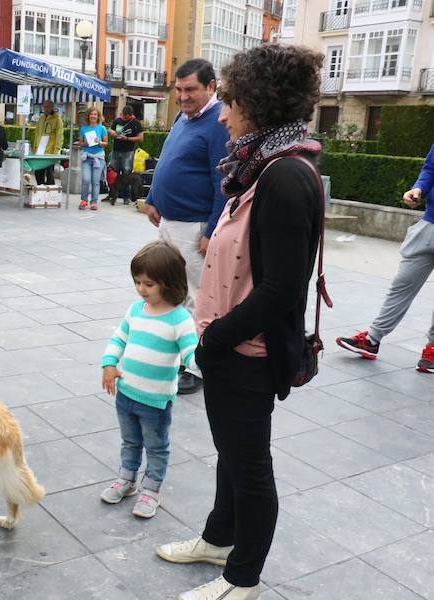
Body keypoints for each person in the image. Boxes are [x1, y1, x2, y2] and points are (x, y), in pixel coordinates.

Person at [155, 45, 325, 600]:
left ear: (258, 102)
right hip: (230, 346)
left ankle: (241, 578)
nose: (223, 114)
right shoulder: (260, 166)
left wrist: (216, 341)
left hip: (246, 352)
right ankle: (218, 537)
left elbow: (281, 288)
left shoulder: (285, 177)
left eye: (230, 101)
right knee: (232, 453)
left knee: (250, 467)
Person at [142, 58, 230, 395]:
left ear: (211, 87)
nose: (182, 96)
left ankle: (195, 367)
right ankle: (176, 355)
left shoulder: (217, 123)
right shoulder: (185, 117)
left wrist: (212, 230)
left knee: (195, 297)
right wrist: (153, 196)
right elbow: (167, 156)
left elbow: (222, 181)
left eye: (190, 89)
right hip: (169, 220)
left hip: (194, 226)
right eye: (178, 89)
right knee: (171, 292)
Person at [100, 241, 198, 519]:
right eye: (138, 282)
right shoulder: (136, 310)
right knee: (129, 442)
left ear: (169, 283)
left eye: (149, 284)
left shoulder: (180, 319)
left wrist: (204, 360)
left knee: (156, 446)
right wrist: (109, 364)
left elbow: (191, 354)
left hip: (156, 401)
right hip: (126, 394)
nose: (142, 289)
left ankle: (151, 489)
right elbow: (119, 338)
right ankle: (127, 480)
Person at [336, 141, 434, 373]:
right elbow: (430, 169)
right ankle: (372, 340)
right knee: (401, 285)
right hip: (428, 224)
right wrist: (419, 189)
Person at [107, 105, 144, 205]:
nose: (124, 118)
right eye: (123, 116)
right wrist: (113, 133)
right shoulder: (118, 120)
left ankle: (126, 197)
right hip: (116, 150)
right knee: (113, 173)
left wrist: (127, 139)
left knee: (126, 173)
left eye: (126, 117)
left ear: (130, 115)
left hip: (128, 151)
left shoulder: (136, 123)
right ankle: (111, 195)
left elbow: (140, 138)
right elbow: (110, 130)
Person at [78, 106, 108, 211]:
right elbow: (80, 144)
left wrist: (99, 142)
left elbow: (105, 144)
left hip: (98, 158)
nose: (93, 116)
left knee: (95, 181)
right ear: (88, 116)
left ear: (98, 116)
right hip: (87, 157)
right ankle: (84, 200)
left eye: (95, 114)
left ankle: (94, 201)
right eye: (91, 114)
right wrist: (84, 143)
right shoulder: (83, 128)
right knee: (86, 179)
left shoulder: (102, 128)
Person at [33, 100, 63, 184]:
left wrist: (57, 150)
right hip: (39, 152)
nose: (46, 109)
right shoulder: (41, 118)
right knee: (38, 173)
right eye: (44, 107)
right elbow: (37, 133)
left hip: (50, 152)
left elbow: (59, 136)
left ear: (52, 107)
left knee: (50, 175)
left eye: (48, 107)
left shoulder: (57, 120)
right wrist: (35, 146)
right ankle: (40, 191)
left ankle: (50, 194)